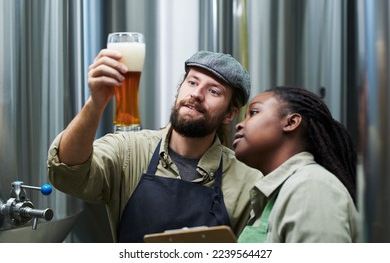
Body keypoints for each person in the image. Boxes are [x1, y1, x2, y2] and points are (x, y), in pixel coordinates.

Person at [47, 50, 261, 242]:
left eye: (213, 91)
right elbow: (67, 174)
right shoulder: (129, 150)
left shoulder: (248, 181)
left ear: (230, 114)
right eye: (193, 82)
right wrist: (95, 102)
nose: (196, 94)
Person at [233, 86, 358, 243]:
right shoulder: (279, 193)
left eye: (254, 113)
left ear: (291, 122)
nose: (240, 124)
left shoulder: (310, 186)